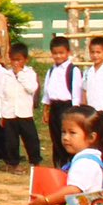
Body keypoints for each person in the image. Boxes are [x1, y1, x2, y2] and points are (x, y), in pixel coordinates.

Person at [1, 42, 41, 169]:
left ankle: (35, 160)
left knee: (31, 138)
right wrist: (2, 114)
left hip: (24, 112)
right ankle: (13, 163)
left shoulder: (29, 73)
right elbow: (1, 95)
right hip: (9, 113)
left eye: (18, 60)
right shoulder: (6, 74)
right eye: (13, 60)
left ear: (25, 60)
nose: (15, 63)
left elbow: (31, 88)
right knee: (11, 141)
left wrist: (20, 74)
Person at [42, 36, 80, 167]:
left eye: (61, 53)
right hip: (55, 107)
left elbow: (76, 93)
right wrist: (46, 110)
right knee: (56, 136)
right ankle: (58, 163)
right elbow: (47, 91)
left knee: (67, 137)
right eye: (55, 53)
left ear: (68, 53)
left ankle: (70, 162)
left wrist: (74, 112)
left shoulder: (73, 70)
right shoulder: (51, 70)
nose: (58, 56)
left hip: (67, 108)